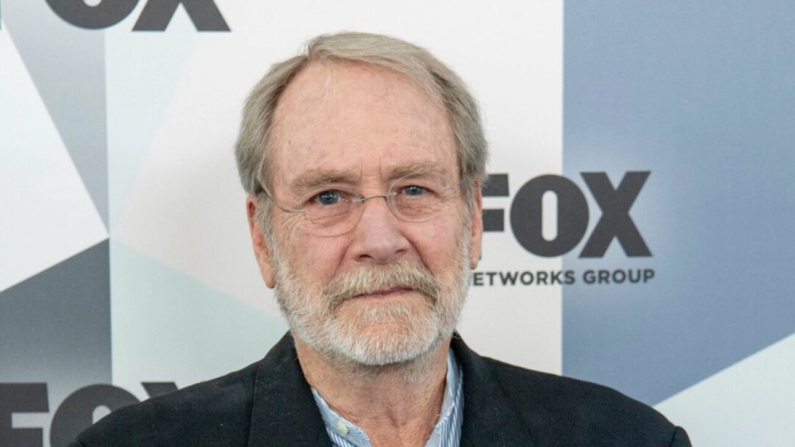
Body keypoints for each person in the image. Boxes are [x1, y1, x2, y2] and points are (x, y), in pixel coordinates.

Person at [69, 32, 691, 447]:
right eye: (328, 197)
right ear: (263, 239)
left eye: (414, 189)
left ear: (473, 218)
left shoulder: (627, 439)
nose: (380, 238)